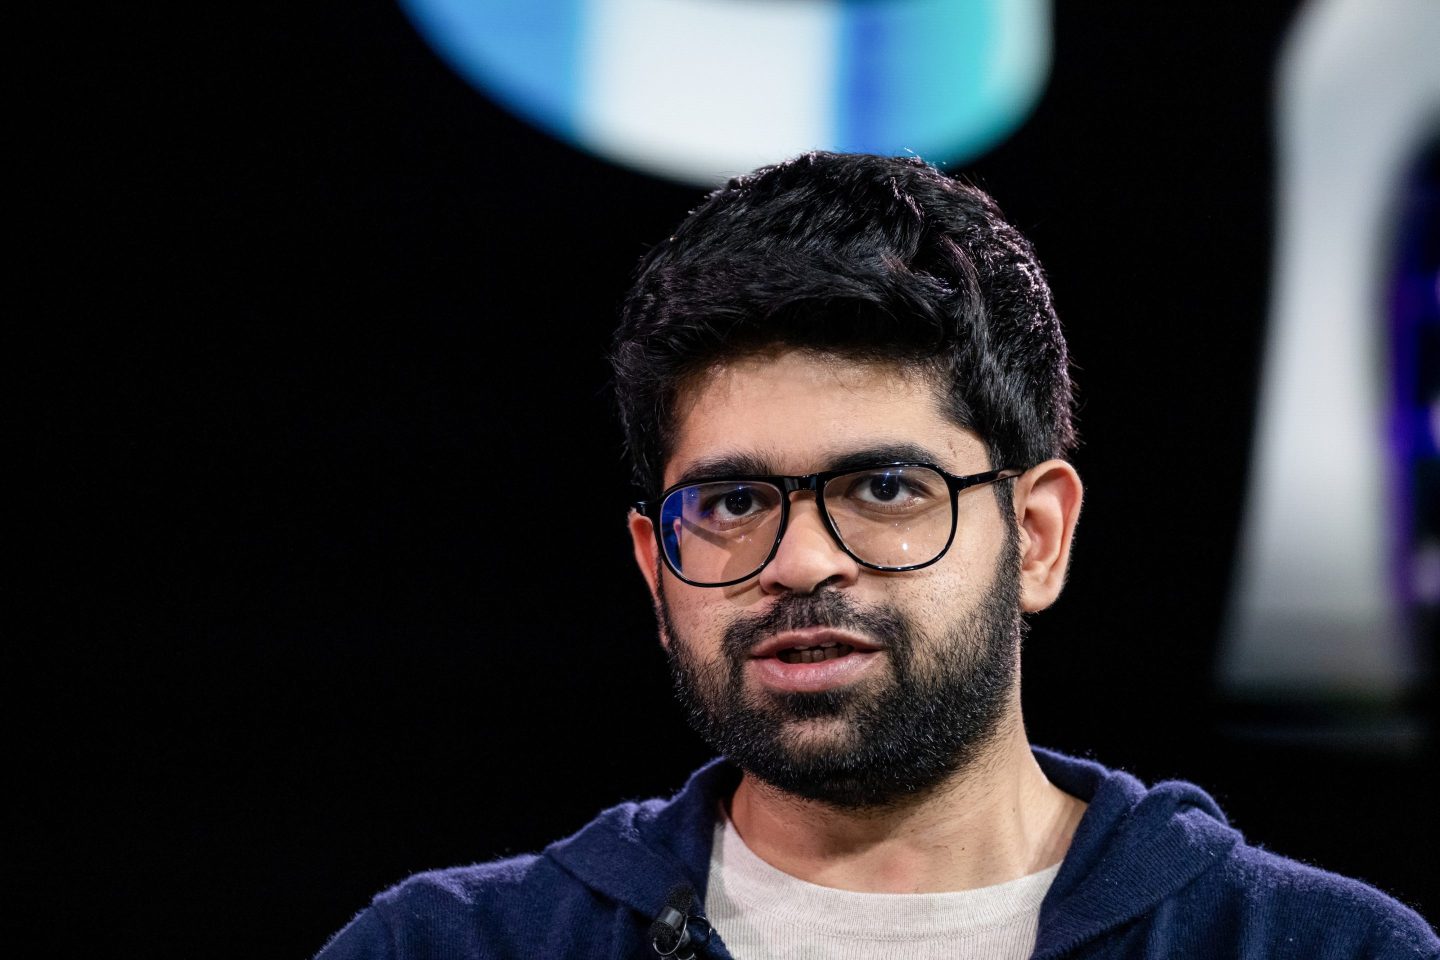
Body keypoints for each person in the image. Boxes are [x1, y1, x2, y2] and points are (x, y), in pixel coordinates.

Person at [315, 153, 1437, 959]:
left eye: (887, 488)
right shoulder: (448, 945)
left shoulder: (1317, 947)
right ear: (653, 567)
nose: (801, 561)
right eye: (733, 501)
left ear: (1037, 535)